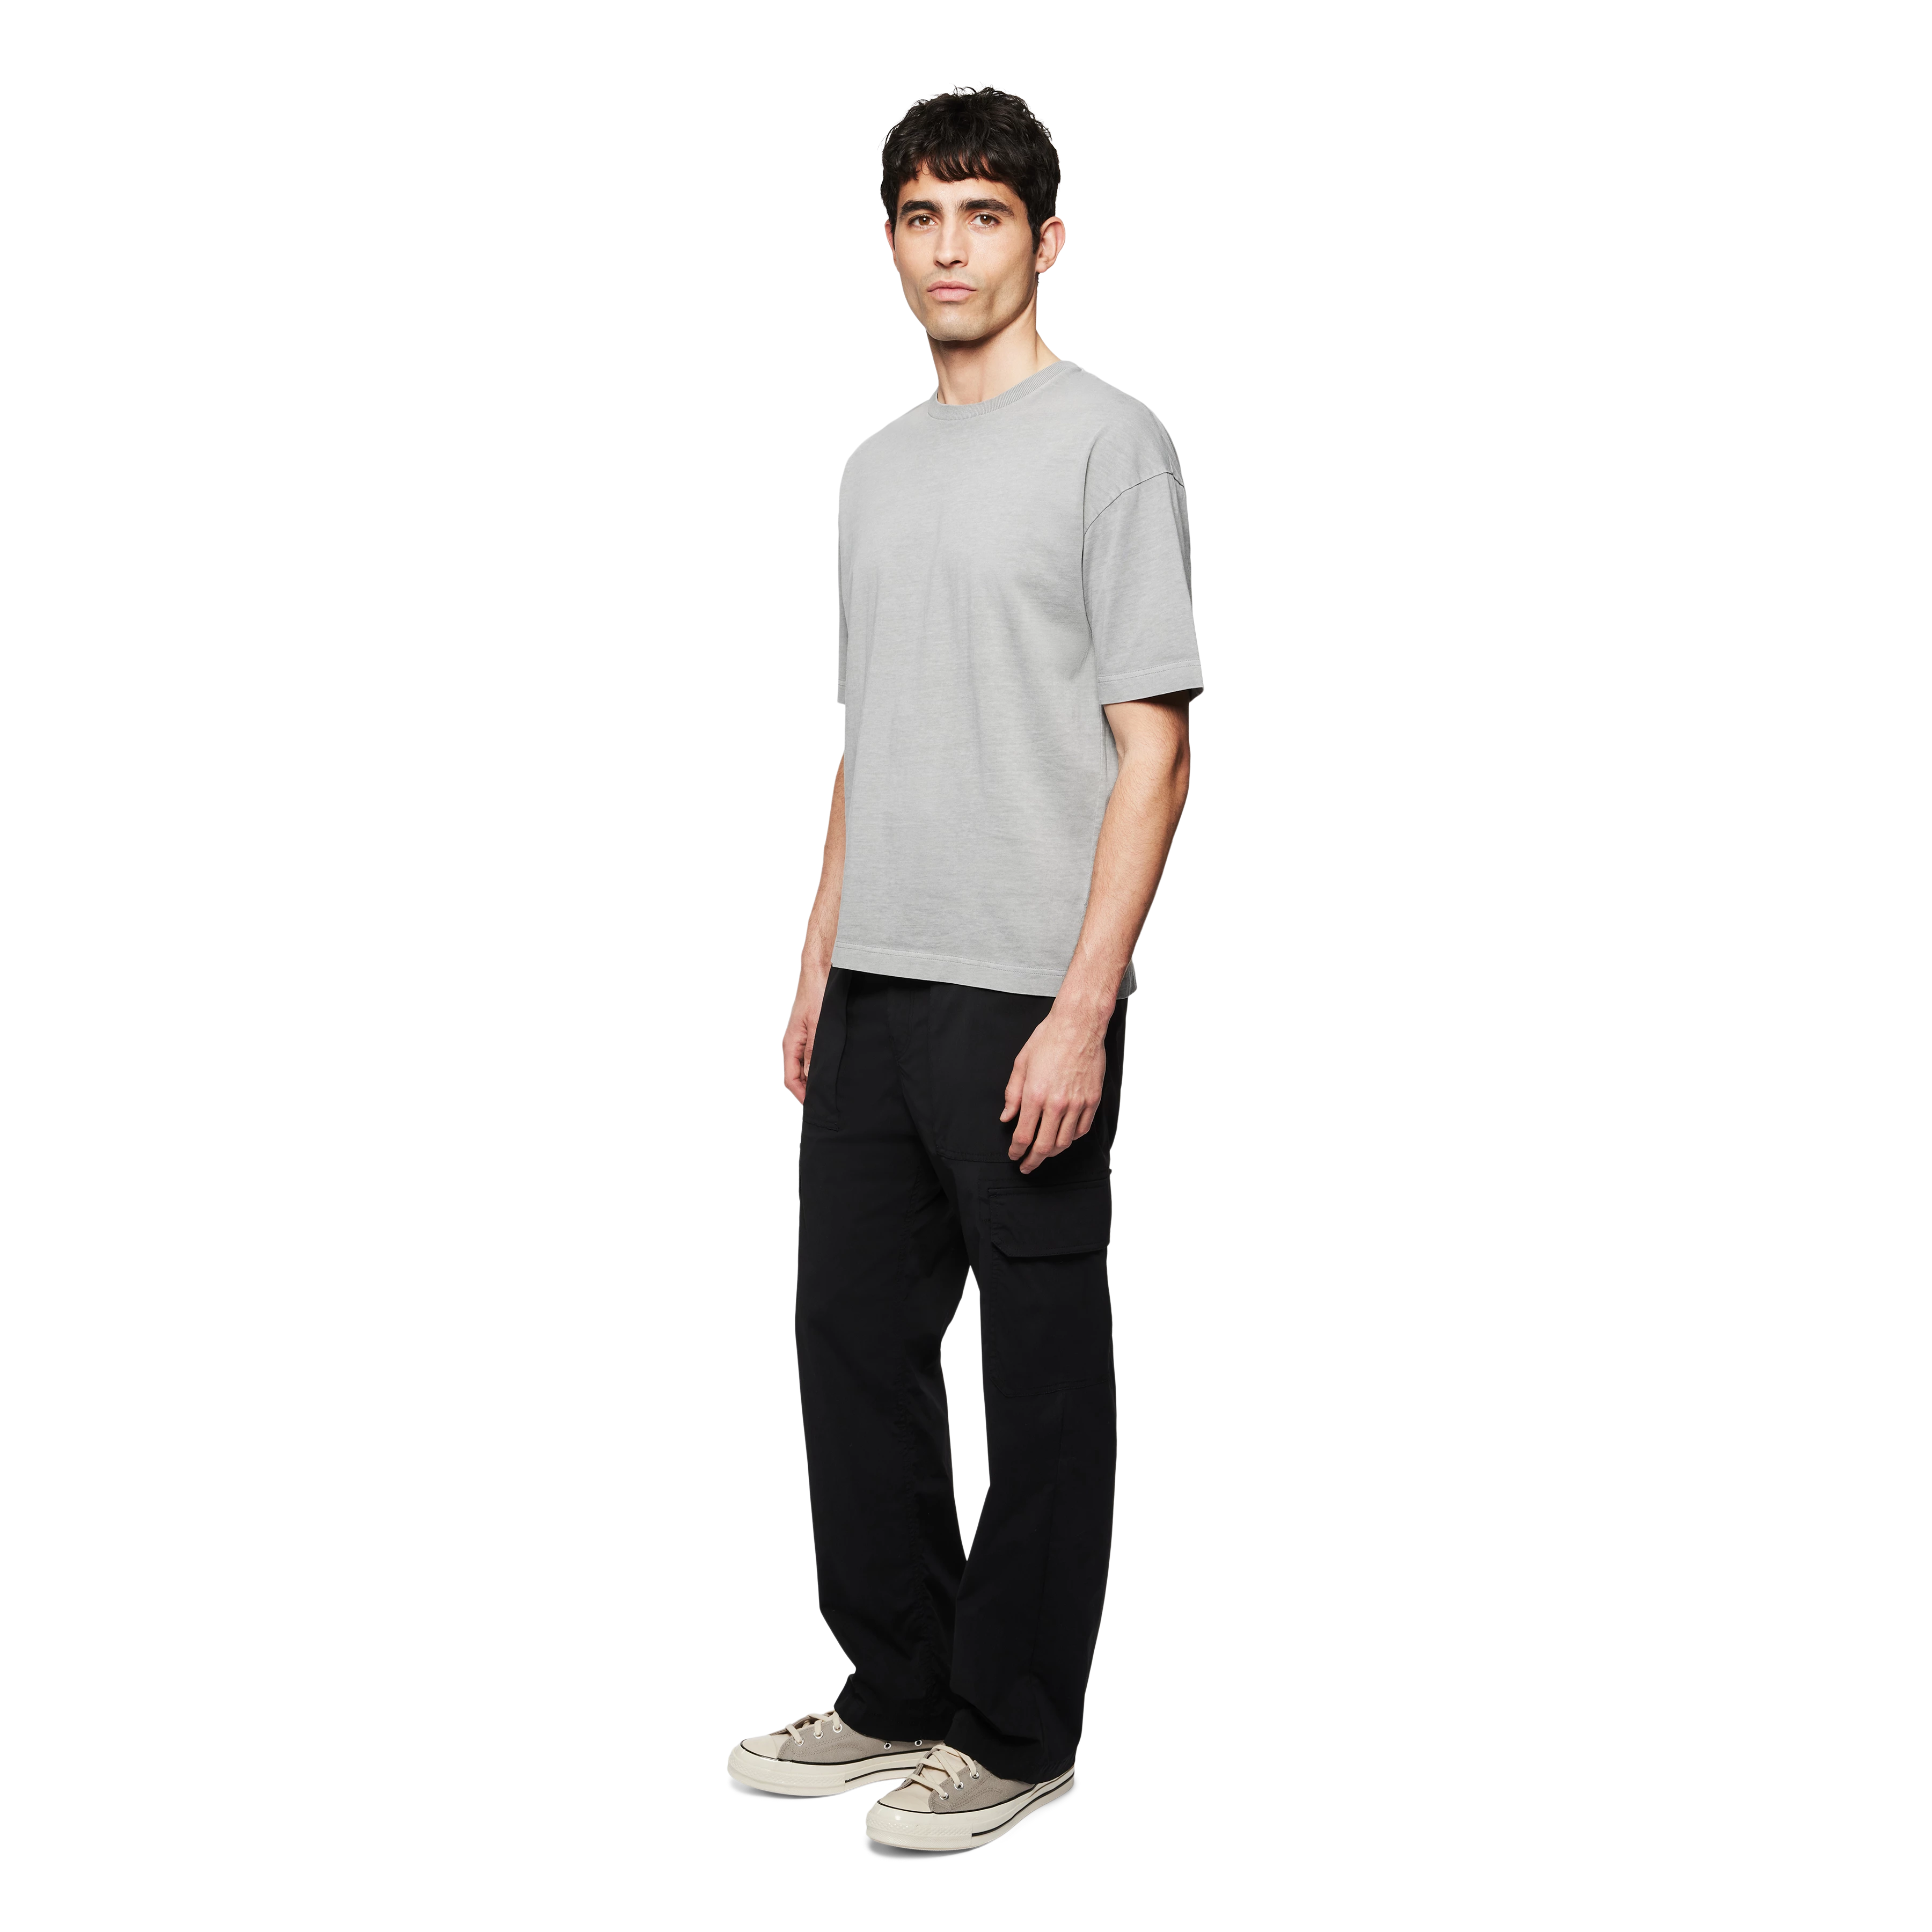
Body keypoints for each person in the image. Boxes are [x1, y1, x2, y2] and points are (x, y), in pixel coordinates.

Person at [725, 83, 1205, 1853]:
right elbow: (874, 741)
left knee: (1039, 1373)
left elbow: (1154, 746)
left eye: (985, 216)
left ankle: (1016, 1729)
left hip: (1024, 989)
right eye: (923, 216)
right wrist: (814, 960)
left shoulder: (1110, 444)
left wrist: (1084, 1007)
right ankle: (899, 1687)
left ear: (1044, 240)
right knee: (852, 1349)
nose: (951, 248)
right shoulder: (874, 469)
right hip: (877, 982)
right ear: (890, 244)